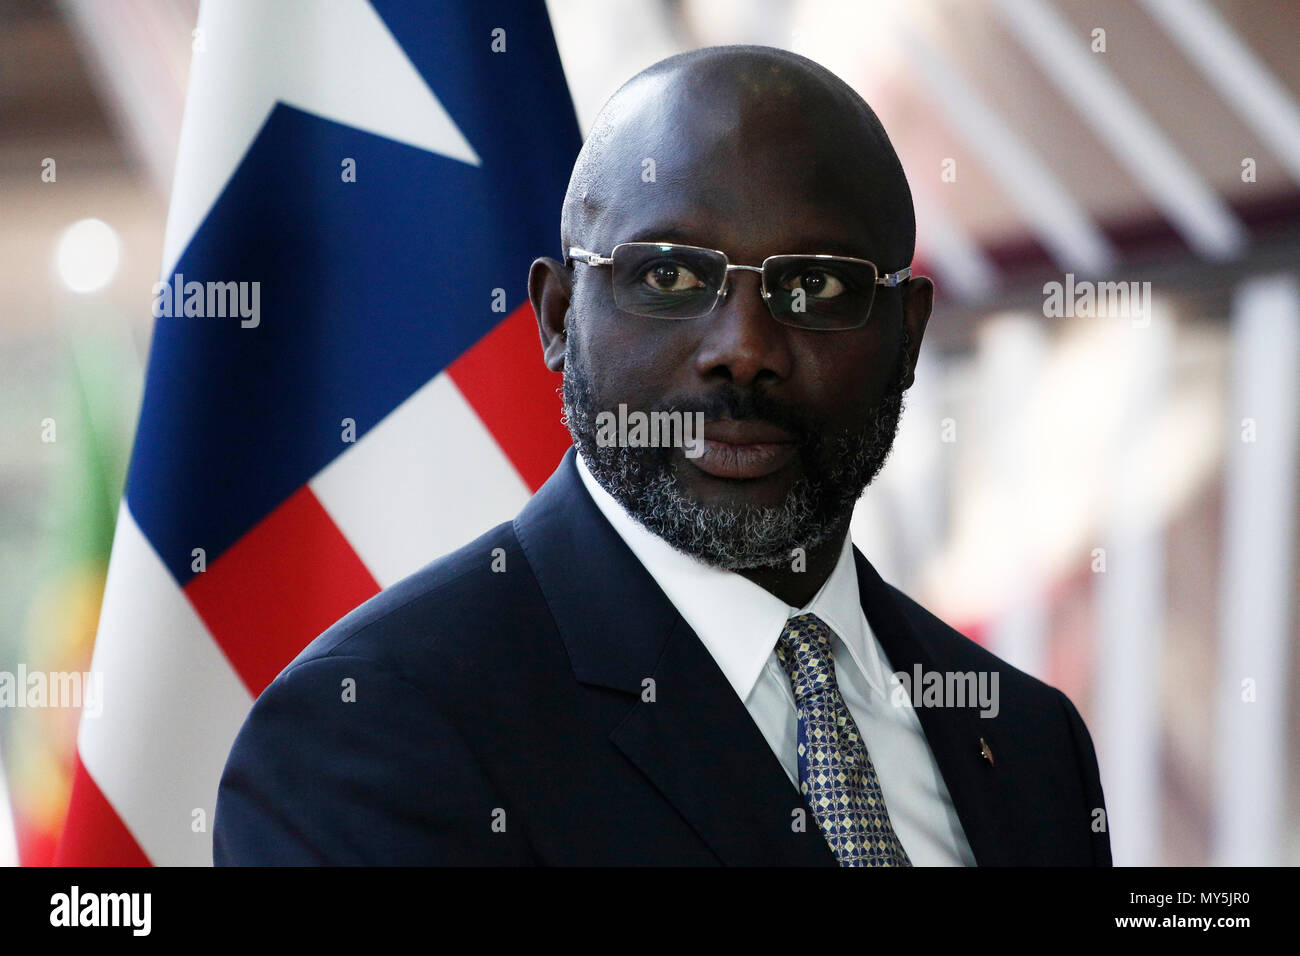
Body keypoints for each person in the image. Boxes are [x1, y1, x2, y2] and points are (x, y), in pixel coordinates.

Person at [214, 44, 1111, 866]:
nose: (745, 348)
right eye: (671, 277)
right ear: (560, 319)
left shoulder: (1030, 742)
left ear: (907, 338)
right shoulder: (377, 728)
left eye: (817, 284)